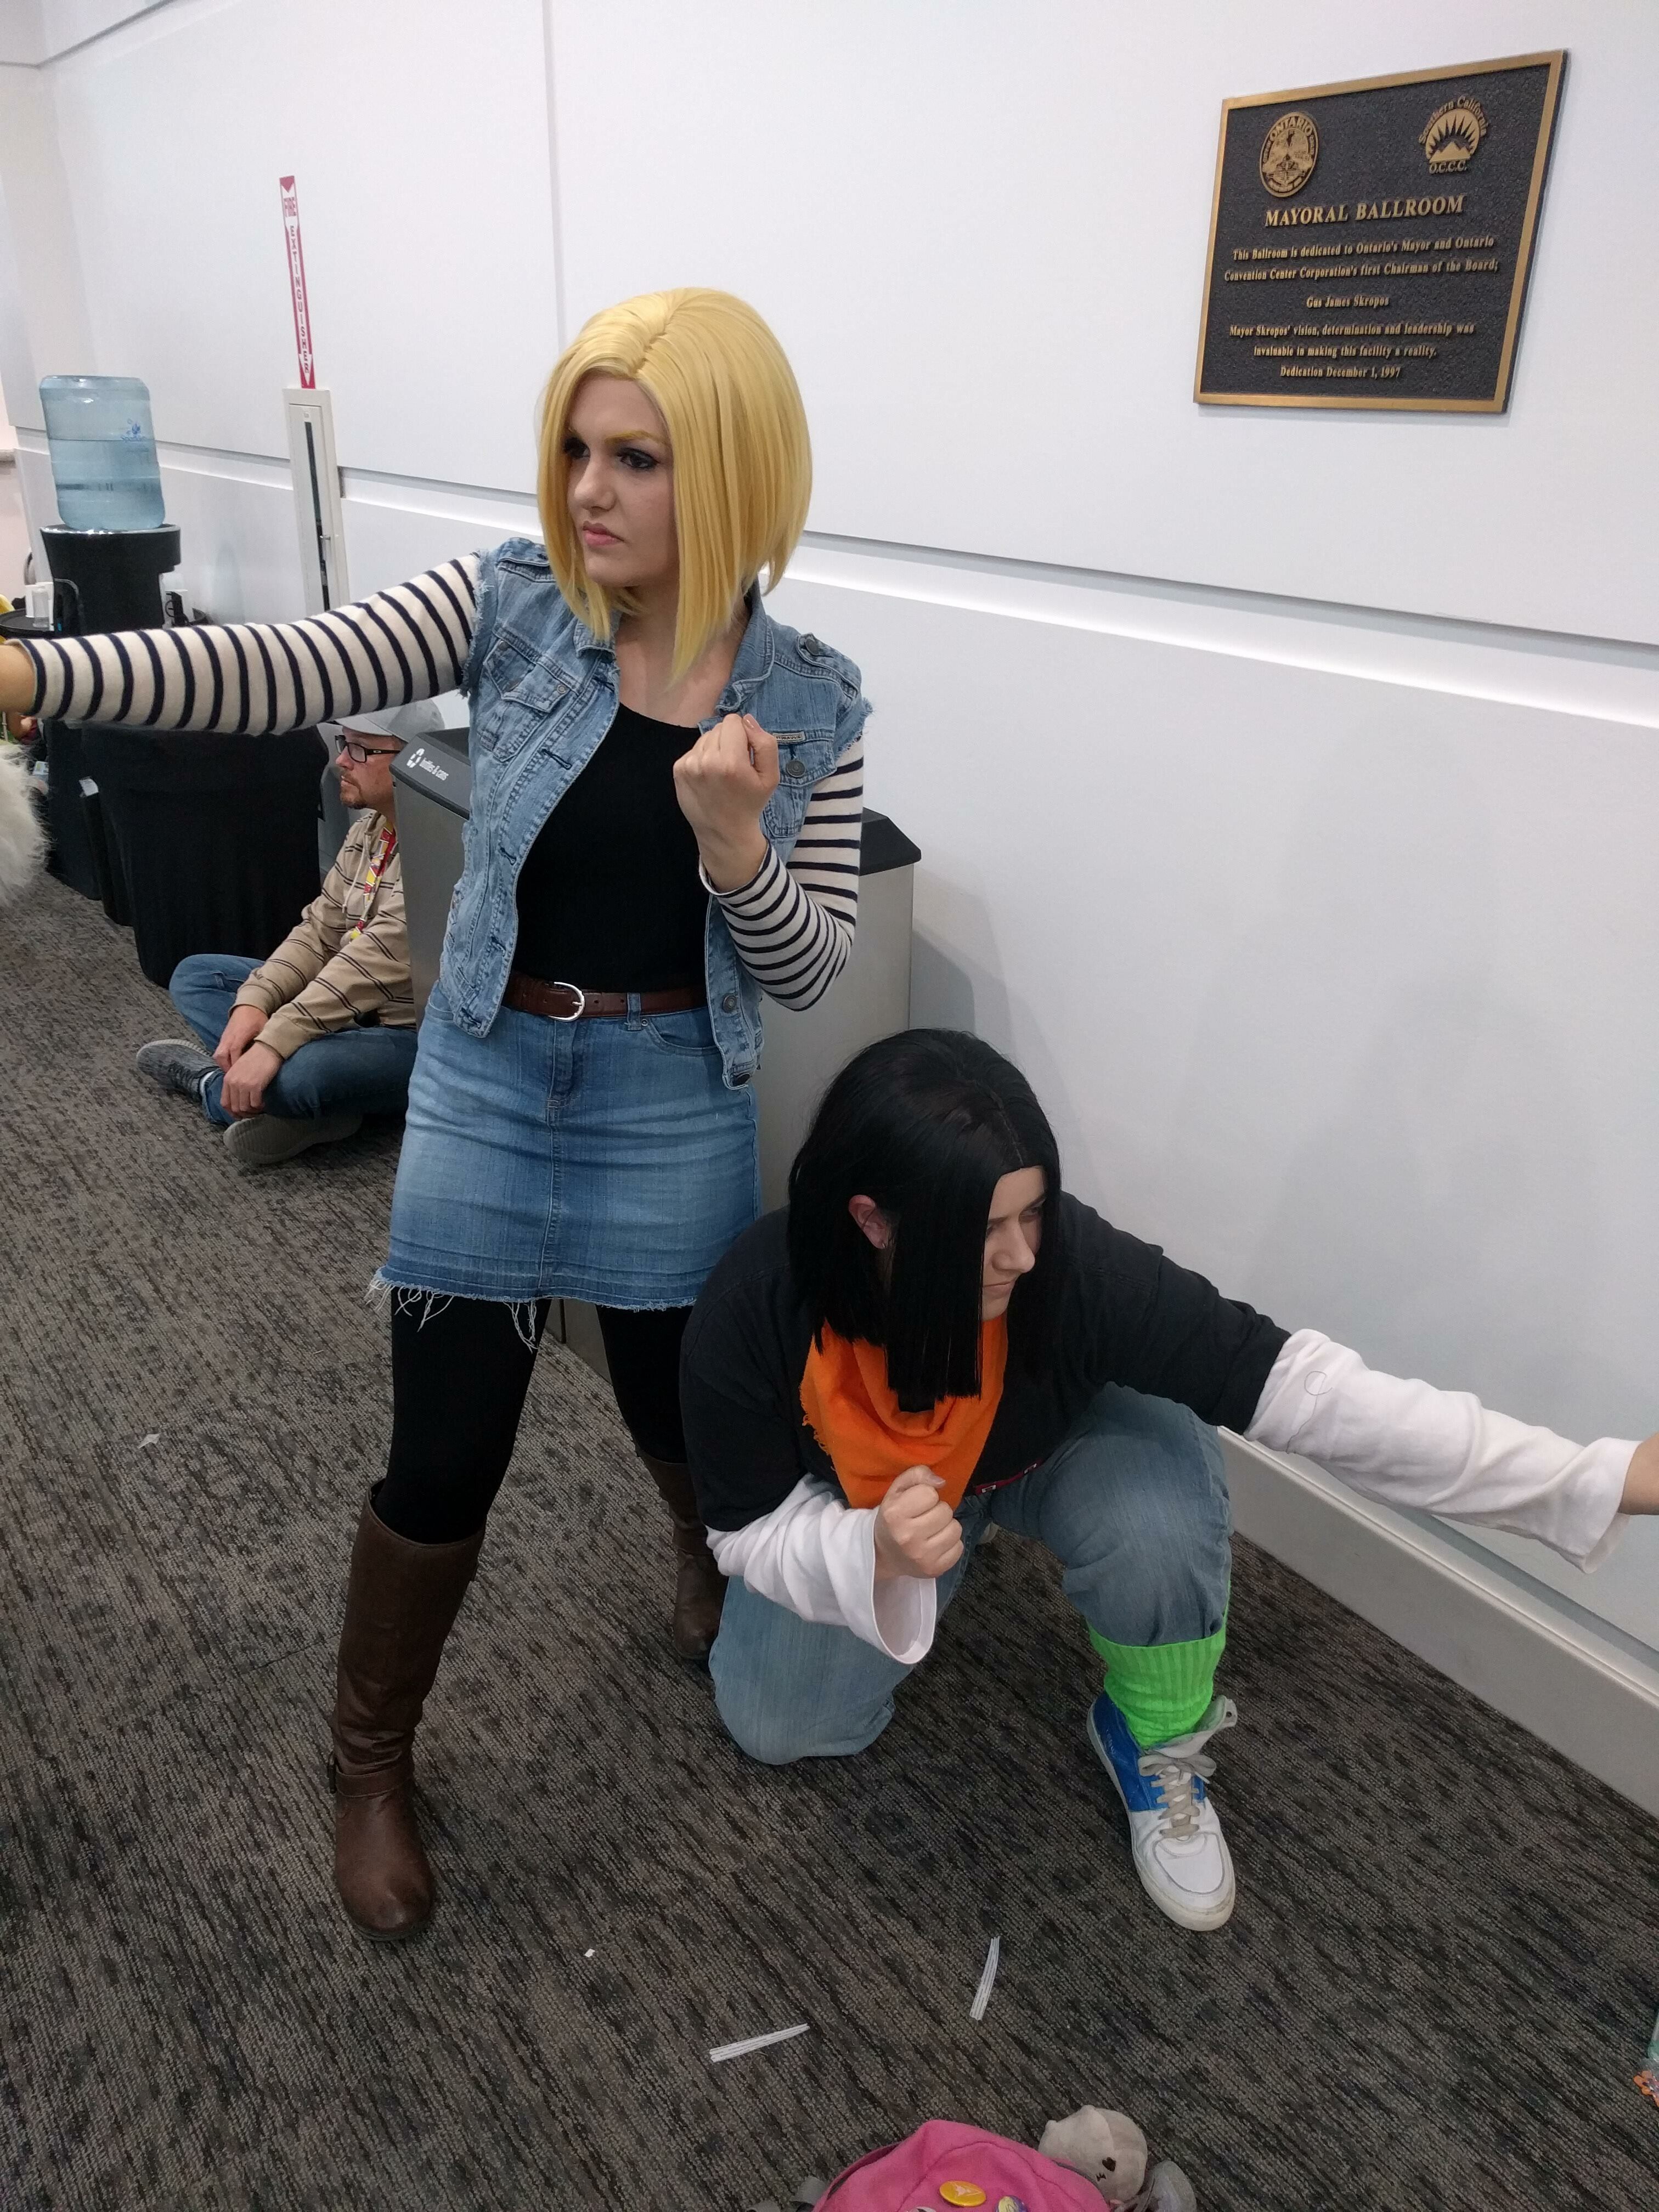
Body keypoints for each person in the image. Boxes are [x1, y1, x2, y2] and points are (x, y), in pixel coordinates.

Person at [0, 288, 870, 1938]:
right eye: (577, 448)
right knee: (448, 1443)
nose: (589, 488)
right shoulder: (514, 607)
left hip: (671, 1093)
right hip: (489, 1069)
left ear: (736, 468)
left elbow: (813, 968)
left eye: (638, 457)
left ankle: (700, 1556)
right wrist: (35, 673)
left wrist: (740, 850)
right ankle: (370, 1759)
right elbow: (280, 667)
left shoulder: (811, 700)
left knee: (679, 1403)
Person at [680, 1031, 1658, 1934]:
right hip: (875, 1513)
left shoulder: (1067, 1268)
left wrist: (1599, 1477)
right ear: (873, 1221)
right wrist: (872, 1553)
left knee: (1158, 1523)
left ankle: (1148, 1733)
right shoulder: (757, 1307)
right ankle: (943, 1550)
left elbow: (1309, 1392)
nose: (1023, 1254)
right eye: (986, 1228)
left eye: (1033, 1212)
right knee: (775, 1725)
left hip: (1053, 1452)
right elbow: (743, 1529)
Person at [134, 699, 436, 1170]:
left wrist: (275, 1041)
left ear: (414, 762)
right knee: (197, 976)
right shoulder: (371, 829)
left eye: (361, 749)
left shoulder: (438, 849)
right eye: (344, 743)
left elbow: (370, 964)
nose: (341, 760)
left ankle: (214, 1087)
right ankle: (317, 1107)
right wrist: (255, 1005)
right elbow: (318, 934)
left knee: (302, 1074)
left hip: (409, 1036)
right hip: (344, 1014)